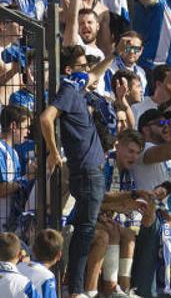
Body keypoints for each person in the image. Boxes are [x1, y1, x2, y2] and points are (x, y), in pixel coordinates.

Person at [37, 47, 104, 297]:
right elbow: (46, 118)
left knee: (85, 232)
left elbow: (95, 75)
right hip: (87, 172)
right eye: (82, 66)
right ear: (69, 70)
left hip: (90, 172)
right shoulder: (68, 88)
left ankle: (75, 288)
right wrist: (54, 153)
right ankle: (75, 291)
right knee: (84, 235)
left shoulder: (77, 84)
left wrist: (113, 55)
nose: (87, 70)